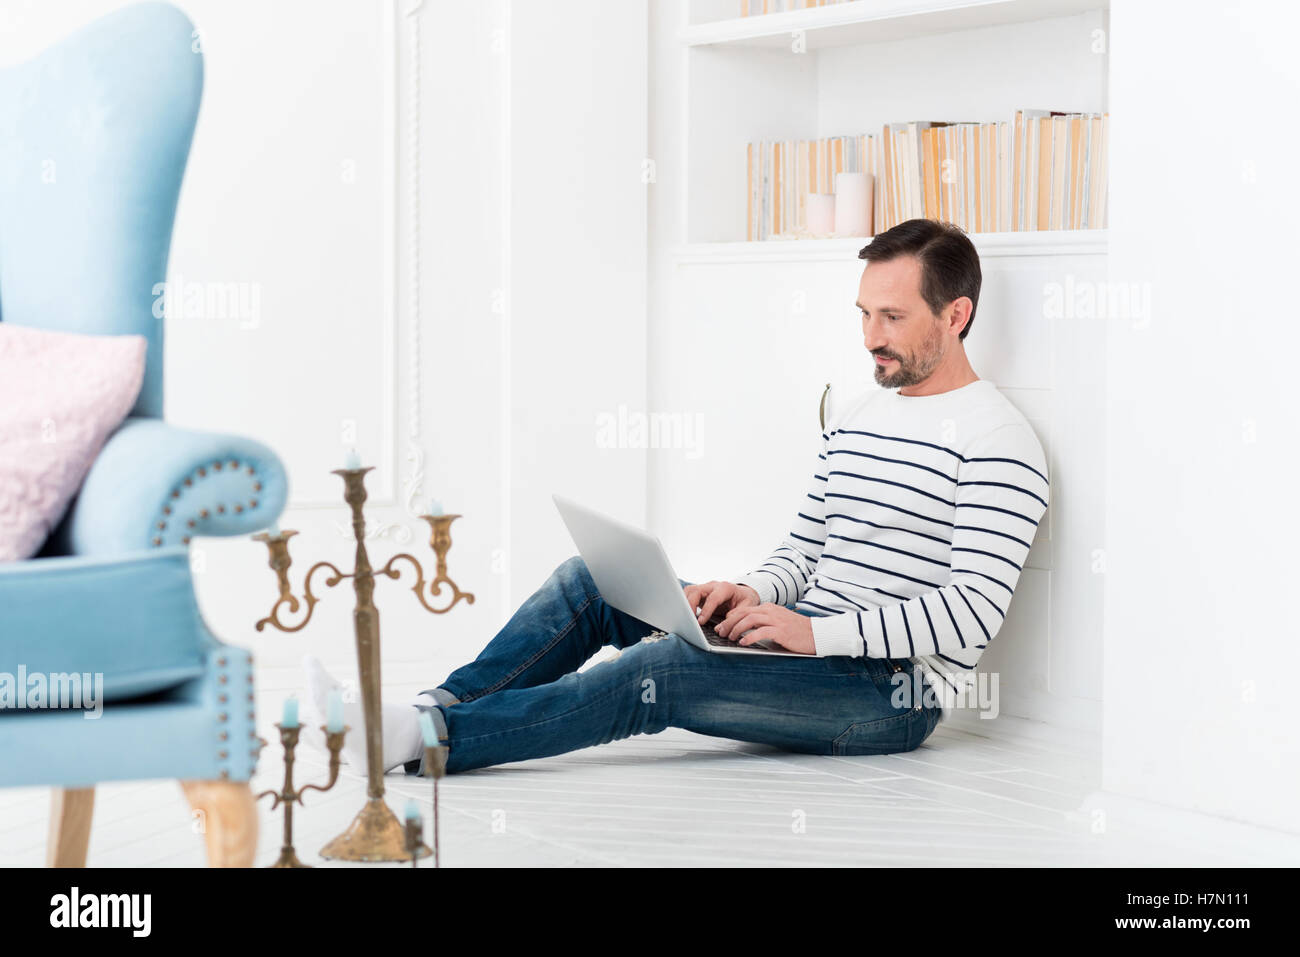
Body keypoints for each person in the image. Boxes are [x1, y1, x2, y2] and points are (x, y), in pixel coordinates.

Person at [304, 218, 1049, 775]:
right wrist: (750, 593)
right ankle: (432, 707)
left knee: (660, 674)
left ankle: (426, 741)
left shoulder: (999, 440)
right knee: (591, 582)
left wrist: (812, 636)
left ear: (956, 315)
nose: (869, 337)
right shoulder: (857, 413)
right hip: (799, 636)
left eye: (893, 318)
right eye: (862, 313)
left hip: (889, 693)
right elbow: (807, 545)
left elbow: (971, 617)